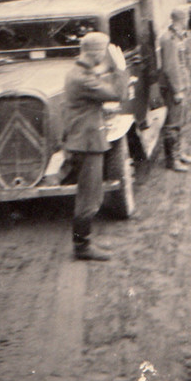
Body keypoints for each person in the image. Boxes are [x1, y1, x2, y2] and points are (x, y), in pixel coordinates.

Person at [63, 31, 127, 261]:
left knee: (89, 196)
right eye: (105, 51)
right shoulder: (84, 79)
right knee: (89, 198)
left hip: (84, 140)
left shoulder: (78, 73)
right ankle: (82, 247)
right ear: (97, 53)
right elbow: (117, 94)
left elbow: (96, 79)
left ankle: (84, 243)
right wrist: (120, 68)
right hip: (88, 143)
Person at [159, 6, 191, 172]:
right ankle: (172, 160)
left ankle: (179, 153)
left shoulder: (178, 36)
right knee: (172, 124)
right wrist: (177, 90)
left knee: (179, 121)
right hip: (173, 86)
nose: (188, 21)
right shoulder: (169, 39)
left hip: (181, 83)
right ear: (181, 19)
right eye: (186, 18)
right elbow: (170, 67)